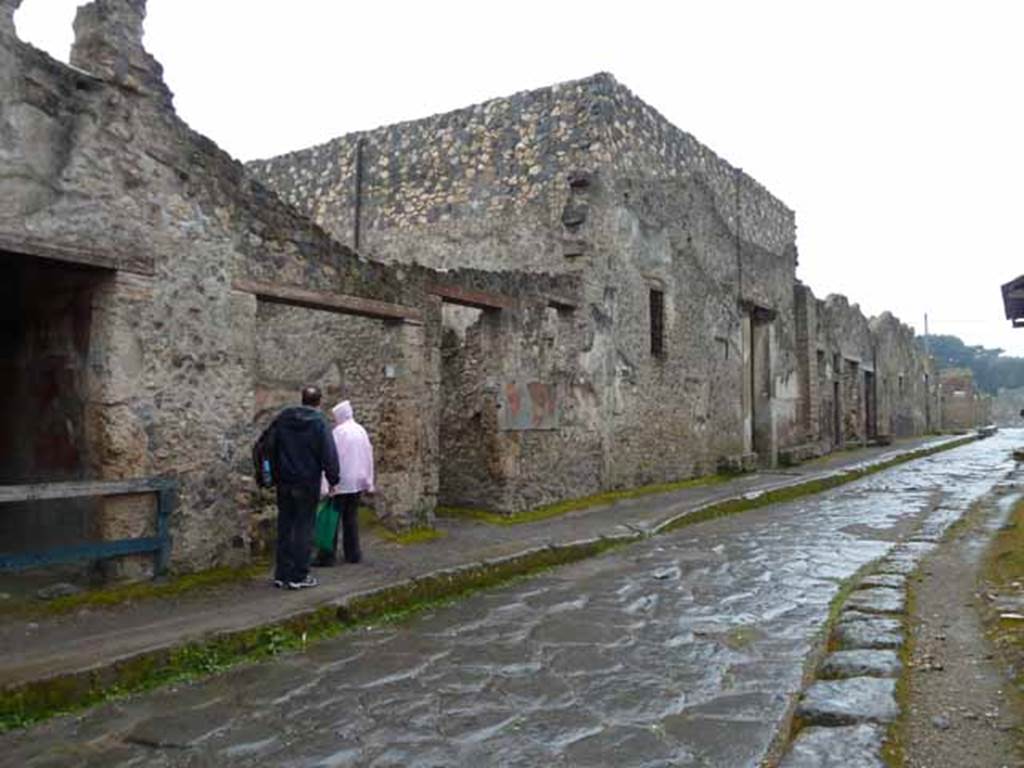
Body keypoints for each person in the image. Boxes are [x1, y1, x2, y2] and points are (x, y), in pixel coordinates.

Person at [268, 386, 339, 589]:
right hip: (307, 482)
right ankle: (299, 575)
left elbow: (270, 445)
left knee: (285, 526)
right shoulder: (319, 424)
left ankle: (282, 573)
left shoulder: (283, 419)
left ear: (302, 400)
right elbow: (329, 454)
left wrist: (273, 473)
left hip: (284, 481)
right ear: (319, 402)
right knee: (303, 528)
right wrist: (333, 479)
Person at [316, 399, 375, 566]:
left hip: (341, 481)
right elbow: (368, 456)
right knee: (351, 518)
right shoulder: (361, 431)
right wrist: (369, 481)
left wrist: (327, 483)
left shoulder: (338, 432)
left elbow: (331, 458)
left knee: (331, 519)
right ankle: (353, 553)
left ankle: (327, 556)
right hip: (357, 480)